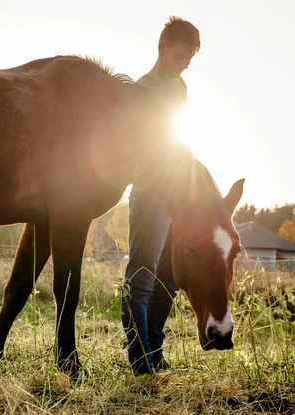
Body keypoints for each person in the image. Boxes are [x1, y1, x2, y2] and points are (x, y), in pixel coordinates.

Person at [122, 15, 201, 376]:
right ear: (162, 48)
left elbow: (179, 140)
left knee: (169, 276)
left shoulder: (179, 87)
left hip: (176, 195)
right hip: (150, 195)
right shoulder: (140, 91)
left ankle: (155, 349)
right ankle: (139, 360)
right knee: (141, 277)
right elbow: (134, 152)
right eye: (181, 56)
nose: (186, 64)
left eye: (191, 59)